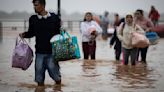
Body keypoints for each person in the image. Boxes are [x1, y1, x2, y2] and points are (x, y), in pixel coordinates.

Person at [19, 0, 61, 86]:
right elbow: (31, 33)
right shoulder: (33, 19)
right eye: (34, 5)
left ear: (43, 5)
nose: (34, 7)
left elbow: (58, 33)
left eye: (36, 5)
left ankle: (58, 88)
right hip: (39, 52)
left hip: (52, 52)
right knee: (39, 78)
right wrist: (24, 34)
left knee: (56, 75)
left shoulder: (54, 17)